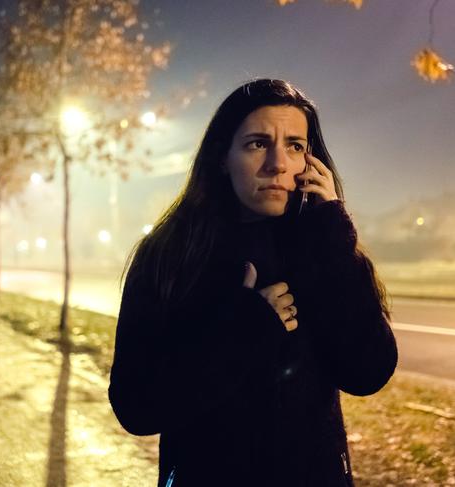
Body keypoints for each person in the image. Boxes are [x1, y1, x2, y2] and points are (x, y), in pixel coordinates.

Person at [108, 78, 397, 486]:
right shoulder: (170, 255)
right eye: (258, 143)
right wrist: (243, 328)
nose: (278, 163)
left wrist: (332, 234)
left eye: (295, 146)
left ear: (311, 163)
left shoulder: (323, 247)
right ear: (223, 157)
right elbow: (136, 408)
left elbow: (368, 372)